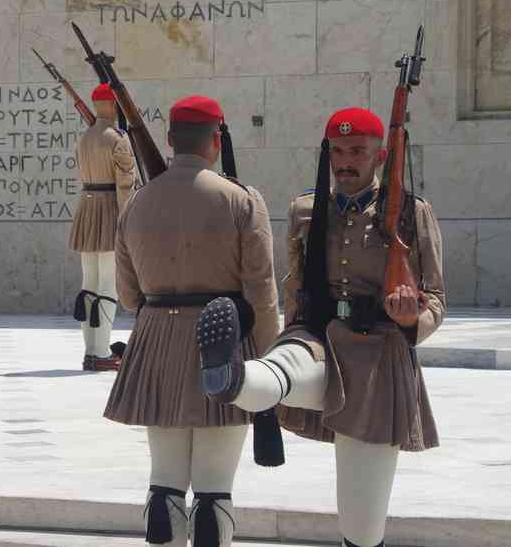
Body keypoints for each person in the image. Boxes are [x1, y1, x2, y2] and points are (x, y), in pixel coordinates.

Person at [198, 107, 446, 547]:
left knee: (362, 523)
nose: (346, 160)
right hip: (317, 337)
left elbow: (438, 302)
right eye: (337, 150)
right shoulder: (307, 210)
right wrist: (286, 329)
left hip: (378, 357)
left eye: (357, 151)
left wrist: (413, 320)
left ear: (381, 155)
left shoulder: (411, 212)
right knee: (277, 370)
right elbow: (296, 285)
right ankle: (231, 375)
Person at [104, 95, 279, 546]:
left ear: (169, 140)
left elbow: (127, 295)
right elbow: (260, 289)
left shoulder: (137, 203)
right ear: (215, 142)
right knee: (213, 492)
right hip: (222, 343)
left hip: (157, 343)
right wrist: (271, 365)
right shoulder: (241, 200)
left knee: (164, 486)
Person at [69, 84, 138, 371]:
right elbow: (126, 183)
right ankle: (100, 354)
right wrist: (129, 219)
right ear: (113, 105)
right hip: (109, 209)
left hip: (87, 208)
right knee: (108, 284)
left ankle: (91, 350)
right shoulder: (117, 138)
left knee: (90, 284)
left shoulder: (84, 138)